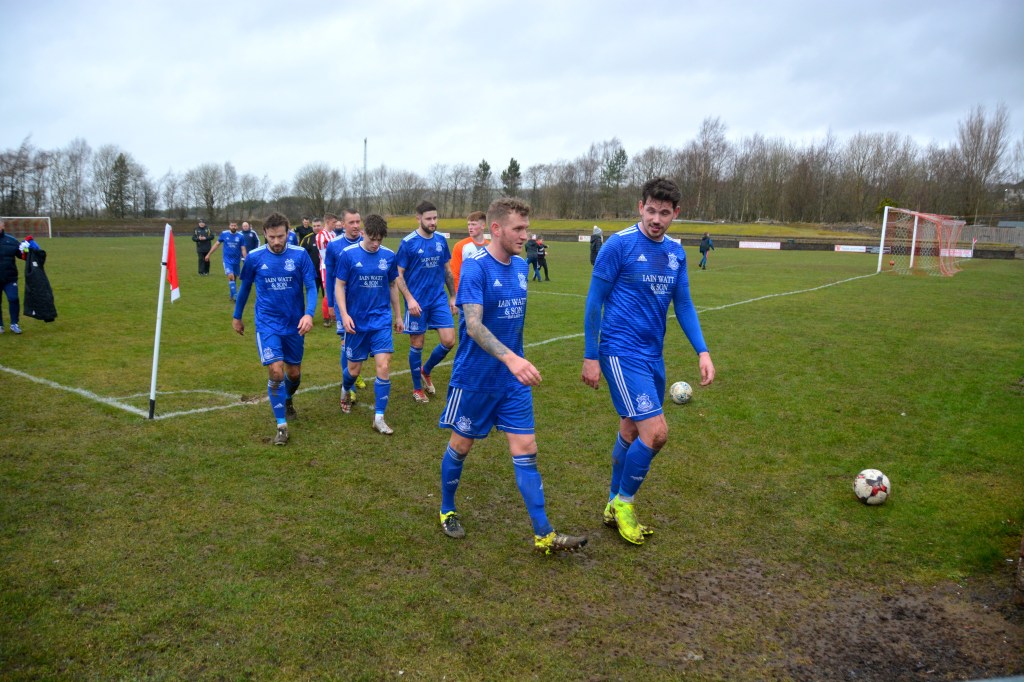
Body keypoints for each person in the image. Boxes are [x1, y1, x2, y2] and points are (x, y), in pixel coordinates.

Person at [437, 196, 587, 555]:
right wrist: (510, 359)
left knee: (527, 449)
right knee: (461, 446)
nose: (525, 235)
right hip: (475, 379)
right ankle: (446, 509)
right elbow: (473, 325)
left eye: (526, 228)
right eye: (518, 228)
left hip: (511, 382)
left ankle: (544, 533)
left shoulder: (520, 268)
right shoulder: (475, 268)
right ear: (496, 228)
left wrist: (513, 363)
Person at [581, 177, 716, 546]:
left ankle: (612, 503)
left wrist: (702, 351)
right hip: (620, 352)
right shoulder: (618, 245)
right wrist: (591, 355)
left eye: (665, 213)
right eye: (651, 210)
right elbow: (594, 301)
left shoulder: (675, 253)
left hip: (652, 355)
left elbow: (683, 304)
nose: (657, 219)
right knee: (656, 434)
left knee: (630, 430)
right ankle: (624, 504)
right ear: (640, 207)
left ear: (676, 213)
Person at [232, 212, 317, 446]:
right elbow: (245, 289)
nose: (277, 241)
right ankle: (281, 426)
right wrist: (237, 316)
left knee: (294, 374)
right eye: (272, 237)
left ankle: (287, 398)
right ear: (265, 234)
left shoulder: (300, 255)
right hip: (267, 323)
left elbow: (311, 287)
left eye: (281, 236)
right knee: (276, 371)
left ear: (288, 233)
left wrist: (309, 314)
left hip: (294, 324)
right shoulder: (254, 258)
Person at [334, 214, 404, 435]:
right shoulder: (348, 255)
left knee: (383, 365)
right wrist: (344, 315)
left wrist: (398, 316)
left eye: (379, 240)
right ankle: (345, 388)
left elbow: (392, 285)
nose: (375, 244)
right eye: (372, 239)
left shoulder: (388, 256)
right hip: (356, 322)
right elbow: (339, 285)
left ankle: (379, 418)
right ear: (363, 233)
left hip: (380, 320)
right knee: (353, 370)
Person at [396, 200, 456, 404]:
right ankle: (417, 388)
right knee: (417, 343)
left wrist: (453, 296)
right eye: (428, 218)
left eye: (435, 218)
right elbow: (398, 274)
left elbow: (447, 270)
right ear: (418, 218)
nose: (433, 222)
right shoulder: (408, 243)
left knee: (449, 341)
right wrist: (410, 299)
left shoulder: (441, 240)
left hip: (438, 299)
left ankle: (426, 370)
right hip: (417, 302)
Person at [324, 209, 368, 395]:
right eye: (351, 222)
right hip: (343, 302)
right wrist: (331, 303)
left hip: (363, 302)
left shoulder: (366, 242)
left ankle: (355, 374)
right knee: (345, 341)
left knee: (360, 341)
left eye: (358, 221)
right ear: (343, 224)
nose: (356, 225)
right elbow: (330, 277)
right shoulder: (334, 246)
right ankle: (349, 386)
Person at [206, 221, 248, 301]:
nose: (233, 227)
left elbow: (243, 249)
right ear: (229, 226)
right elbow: (216, 244)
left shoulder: (241, 236)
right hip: (227, 260)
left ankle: (232, 295)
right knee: (230, 276)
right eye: (232, 225)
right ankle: (235, 295)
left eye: (235, 225)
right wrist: (208, 254)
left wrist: (246, 259)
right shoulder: (224, 234)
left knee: (234, 278)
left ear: (237, 227)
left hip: (236, 260)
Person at [449, 210, 489, 293]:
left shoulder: (490, 247)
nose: (470, 227)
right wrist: (457, 294)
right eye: (469, 224)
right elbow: (455, 273)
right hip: (467, 293)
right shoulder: (460, 246)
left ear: (483, 226)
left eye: (473, 224)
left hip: (487, 293)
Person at [0, 219, 26, 334]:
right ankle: (0, 325)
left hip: (10, 278)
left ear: (2, 226)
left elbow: (22, 255)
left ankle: (14, 324)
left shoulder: (11, 241)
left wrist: (27, 249)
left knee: (13, 298)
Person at [316, 213, 339, 327]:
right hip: (326, 267)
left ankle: (334, 314)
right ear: (328, 222)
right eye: (334, 222)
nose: (335, 224)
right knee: (327, 291)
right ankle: (326, 318)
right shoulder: (321, 236)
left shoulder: (333, 234)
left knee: (336, 290)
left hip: (335, 266)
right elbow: (324, 255)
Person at [299, 217, 322, 299]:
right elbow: (300, 256)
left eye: (318, 225)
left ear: (322, 226)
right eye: (314, 226)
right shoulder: (307, 239)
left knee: (328, 297)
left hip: (325, 272)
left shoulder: (328, 237)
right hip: (313, 273)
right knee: (312, 296)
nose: (316, 228)